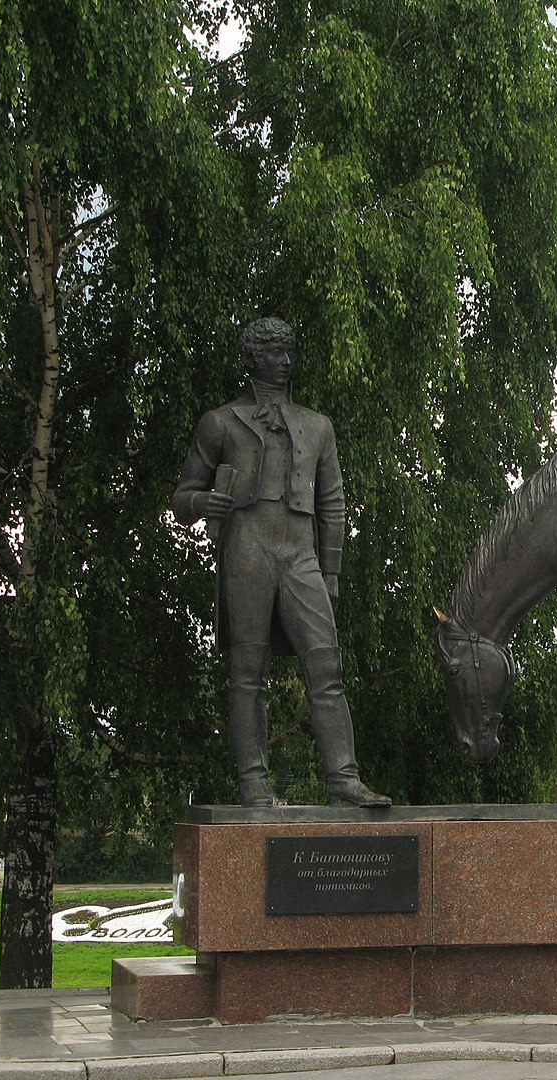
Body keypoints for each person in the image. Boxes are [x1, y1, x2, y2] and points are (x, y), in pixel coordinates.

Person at [173, 317, 390, 808]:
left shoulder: (318, 426)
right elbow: (184, 494)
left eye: (290, 351)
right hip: (247, 547)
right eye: (275, 352)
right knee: (249, 672)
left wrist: (331, 572)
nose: (287, 361)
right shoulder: (221, 422)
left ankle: (345, 781)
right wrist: (200, 504)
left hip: (299, 551)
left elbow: (333, 504)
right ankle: (253, 783)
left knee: (326, 664)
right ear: (254, 358)